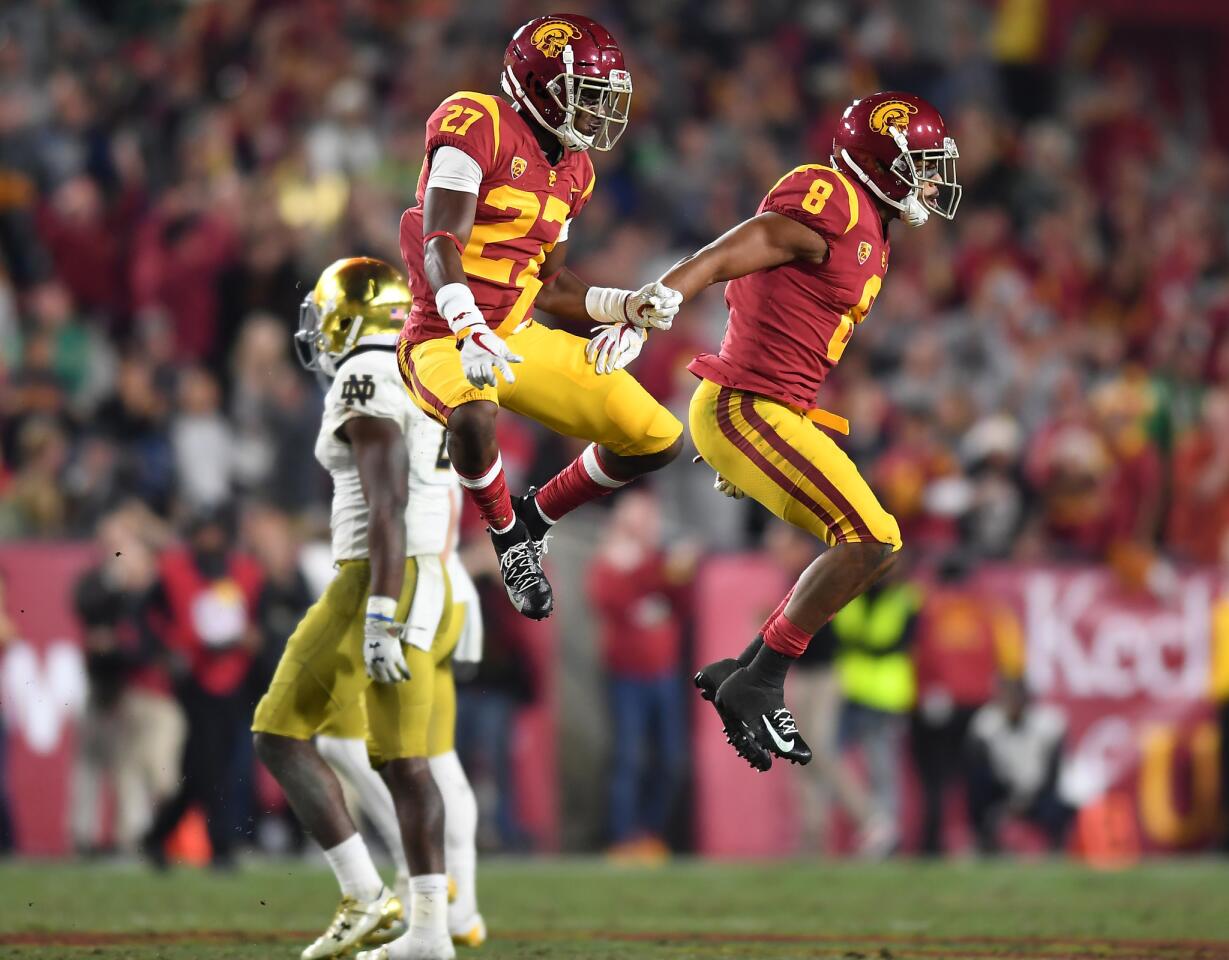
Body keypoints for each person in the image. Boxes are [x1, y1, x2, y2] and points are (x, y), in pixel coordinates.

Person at [647, 91, 962, 770]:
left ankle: (747, 670)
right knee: (871, 536)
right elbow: (745, 244)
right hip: (743, 406)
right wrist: (669, 289)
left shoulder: (873, 231)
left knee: (877, 543)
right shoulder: (831, 196)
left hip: (771, 412)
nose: (932, 180)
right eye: (921, 165)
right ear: (879, 163)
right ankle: (760, 679)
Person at [397, 13, 684, 622]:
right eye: (585, 96)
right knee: (474, 416)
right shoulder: (477, 122)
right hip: (443, 337)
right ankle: (506, 539)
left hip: (519, 335)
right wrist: (469, 325)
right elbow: (439, 243)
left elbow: (548, 284)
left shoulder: (577, 169)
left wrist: (624, 305)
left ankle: (535, 517)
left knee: (656, 437)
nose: (597, 113)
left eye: (604, 99)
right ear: (536, 84)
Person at [251, 258, 465, 960]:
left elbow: (387, 500)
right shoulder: (428, 364)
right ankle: (430, 932)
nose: (318, 330)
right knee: (407, 762)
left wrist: (376, 607)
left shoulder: (362, 373)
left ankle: (365, 895)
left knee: (278, 732)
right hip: (430, 569)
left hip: (374, 574)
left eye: (326, 313)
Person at [142, 505, 262, 869]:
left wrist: (256, 638)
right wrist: (166, 649)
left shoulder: (247, 572)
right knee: (211, 766)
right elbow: (148, 616)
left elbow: (263, 620)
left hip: (236, 677)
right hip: (194, 678)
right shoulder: (172, 571)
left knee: (203, 767)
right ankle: (221, 847)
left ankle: (157, 836)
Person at [586, 491, 692, 857]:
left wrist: (655, 575)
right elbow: (609, 601)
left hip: (663, 672)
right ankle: (623, 837)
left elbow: (679, 601)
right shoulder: (613, 559)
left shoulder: (655, 559)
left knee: (671, 757)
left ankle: (649, 833)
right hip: (627, 673)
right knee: (628, 757)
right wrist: (646, 576)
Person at [966, 676, 1074, 854]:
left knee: (1063, 800)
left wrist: (1028, 799)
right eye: (1007, 697)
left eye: (1016, 697)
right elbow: (980, 767)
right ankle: (985, 842)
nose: (1012, 703)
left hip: (1039, 790)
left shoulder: (1047, 724)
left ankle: (1057, 847)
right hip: (1002, 789)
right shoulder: (986, 724)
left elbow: (1053, 772)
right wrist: (1009, 799)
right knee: (978, 786)